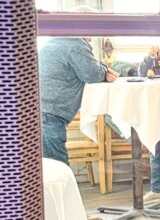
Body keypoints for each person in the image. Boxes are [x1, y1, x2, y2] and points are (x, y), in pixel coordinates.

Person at [39, 26, 117, 166]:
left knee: (49, 172)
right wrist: (105, 70)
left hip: (40, 113)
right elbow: (92, 74)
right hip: (49, 117)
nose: (93, 38)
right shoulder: (75, 44)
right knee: (59, 171)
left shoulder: (55, 41)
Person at [139, 45, 160, 206]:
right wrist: (149, 57)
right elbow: (141, 74)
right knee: (156, 148)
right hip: (158, 109)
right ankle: (157, 191)